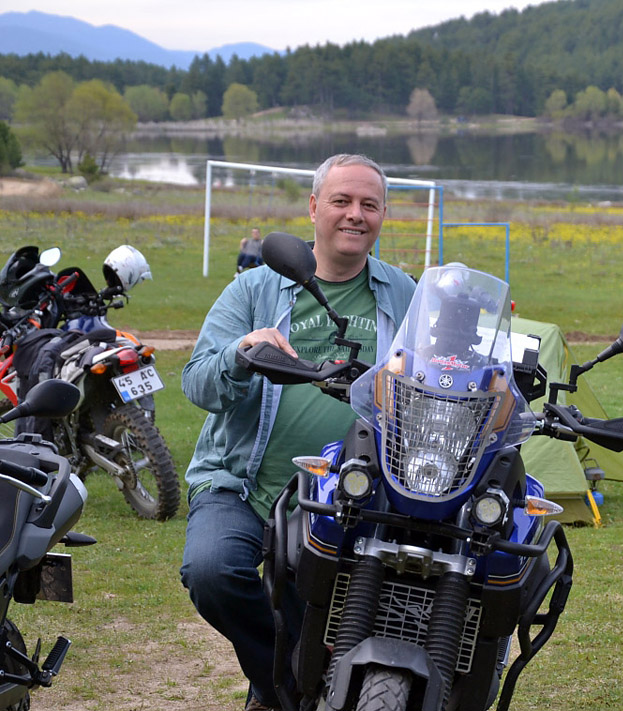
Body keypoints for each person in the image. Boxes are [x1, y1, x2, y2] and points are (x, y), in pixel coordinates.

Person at [179, 154, 416, 711]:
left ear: (383, 214)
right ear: (313, 208)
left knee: (355, 600)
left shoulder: (403, 294)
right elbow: (197, 384)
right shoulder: (255, 289)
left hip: (357, 493)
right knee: (212, 571)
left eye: (369, 204)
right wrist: (241, 353)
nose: (355, 214)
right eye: (341, 201)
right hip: (244, 485)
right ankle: (286, 686)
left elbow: (443, 371)